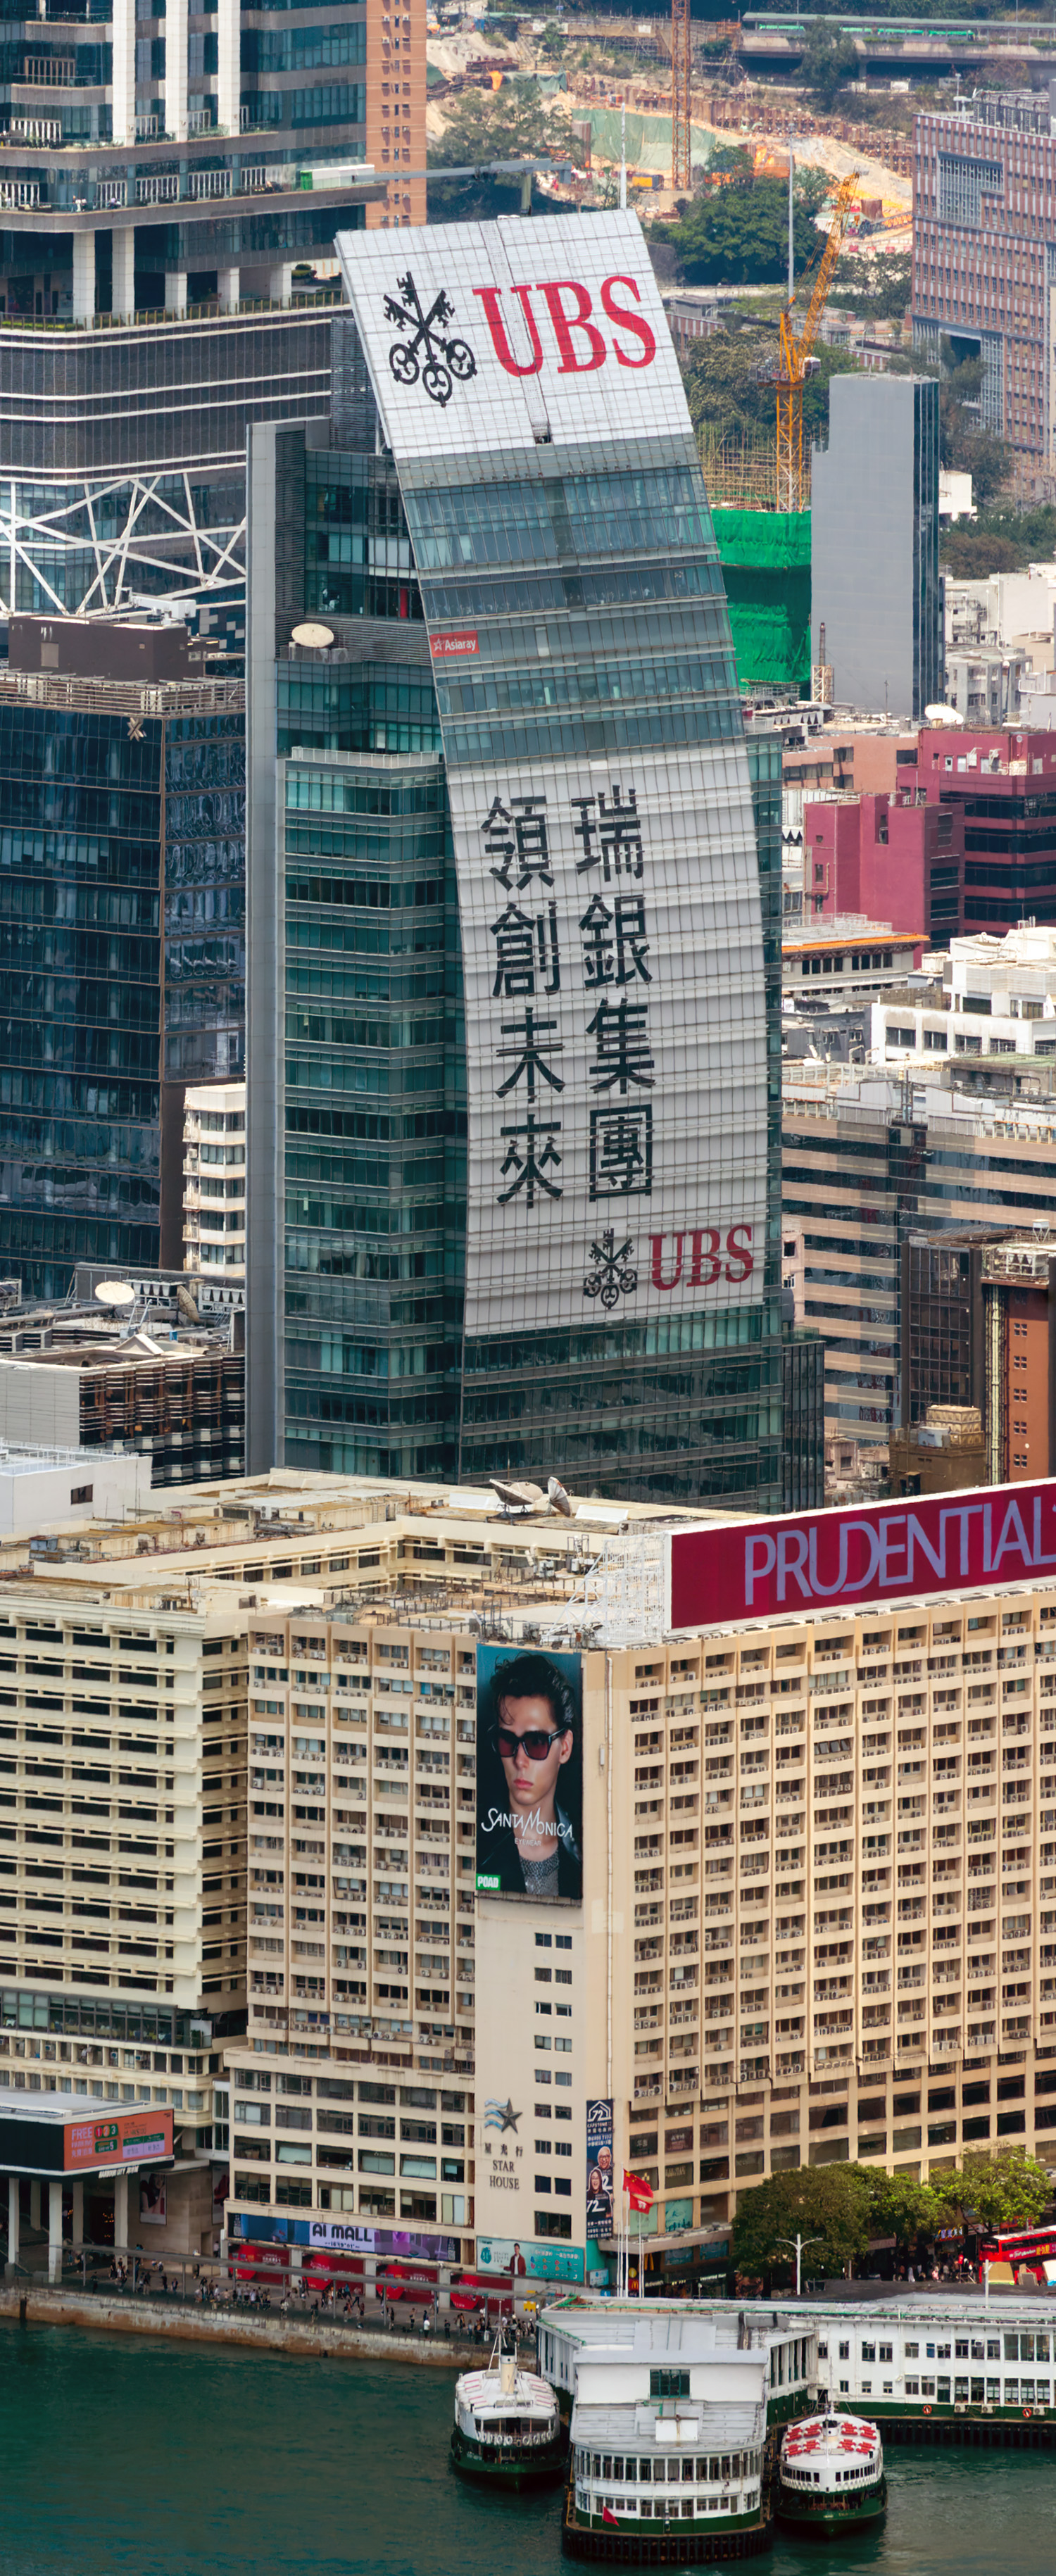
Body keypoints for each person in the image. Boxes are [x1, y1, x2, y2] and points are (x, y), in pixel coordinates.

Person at [475, 1652, 582, 1900]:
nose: (519, 1760)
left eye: (536, 1742)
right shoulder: (476, 1845)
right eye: (507, 1741)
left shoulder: (585, 1850)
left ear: (564, 1747)